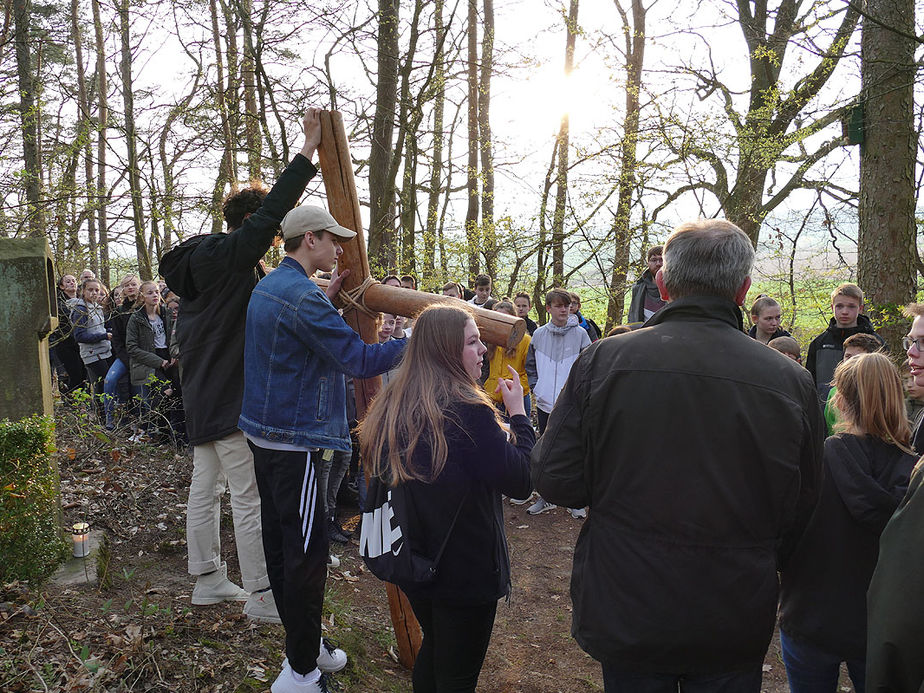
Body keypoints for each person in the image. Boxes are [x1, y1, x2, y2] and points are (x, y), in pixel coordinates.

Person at [532, 219, 824, 693]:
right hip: (732, 608)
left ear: (663, 283)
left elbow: (555, 477)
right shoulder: (790, 382)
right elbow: (804, 507)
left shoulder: (605, 362)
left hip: (628, 603)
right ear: (743, 289)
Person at [158, 110, 323, 623]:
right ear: (258, 229)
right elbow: (271, 213)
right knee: (248, 495)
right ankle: (261, 593)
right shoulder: (228, 257)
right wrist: (307, 150)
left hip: (204, 391)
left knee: (204, 486)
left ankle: (207, 578)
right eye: (271, 233)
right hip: (228, 397)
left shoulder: (213, 263)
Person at [239, 204, 406, 693]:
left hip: (267, 436)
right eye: (333, 239)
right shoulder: (300, 297)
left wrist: (327, 304)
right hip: (298, 446)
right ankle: (301, 673)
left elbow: (296, 344)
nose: (339, 248)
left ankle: (305, 649)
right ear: (309, 239)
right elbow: (358, 358)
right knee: (307, 556)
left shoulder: (271, 286)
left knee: (282, 545)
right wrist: (415, 341)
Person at [358, 304, 535, 693]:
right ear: (445, 351)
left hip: (417, 562)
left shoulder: (393, 405)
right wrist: (519, 415)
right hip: (465, 571)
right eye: (473, 342)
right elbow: (522, 480)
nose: (483, 351)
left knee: (436, 649)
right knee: (456, 676)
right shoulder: (469, 412)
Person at [778, 352, 916, 693]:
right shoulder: (915, 474)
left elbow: (784, 535)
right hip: (881, 627)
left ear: (838, 398)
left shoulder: (811, 463)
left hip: (810, 615)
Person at [524, 288, 591, 518]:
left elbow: (589, 368)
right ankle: (545, 497)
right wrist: (537, 388)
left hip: (571, 406)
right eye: (559, 305)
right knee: (545, 450)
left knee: (574, 449)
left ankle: (575, 500)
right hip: (544, 405)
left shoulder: (582, 334)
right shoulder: (539, 334)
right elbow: (530, 366)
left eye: (567, 304)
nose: (564, 309)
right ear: (549, 308)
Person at [806, 283, 884, 402]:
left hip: (866, 406)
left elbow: (885, 380)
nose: (845, 311)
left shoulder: (875, 342)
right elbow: (810, 383)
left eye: (851, 306)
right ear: (832, 308)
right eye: (840, 306)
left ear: (861, 308)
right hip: (825, 409)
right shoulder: (819, 344)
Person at [125, 280, 176, 441]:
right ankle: (156, 435)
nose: (154, 295)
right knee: (160, 395)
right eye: (150, 293)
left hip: (168, 358)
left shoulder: (166, 313)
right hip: (149, 362)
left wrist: (174, 354)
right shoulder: (136, 318)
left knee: (173, 395)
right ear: (142, 296)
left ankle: (170, 435)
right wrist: (157, 361)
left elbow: (174, 335)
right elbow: (132, 347)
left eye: (156, 292)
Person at [823, 333, 882, 436]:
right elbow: (829, 428)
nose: (851, 362)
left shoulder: (881, 391)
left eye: (858, 358)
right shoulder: (834, 392)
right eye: (848, 356)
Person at [70, 277, 113, 418]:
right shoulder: (80, 310)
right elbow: (80, 336)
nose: (94, 293)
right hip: (92, 355)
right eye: (90, 290)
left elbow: (99, 328)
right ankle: (101, 418)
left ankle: (106, 416)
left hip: (104, 351)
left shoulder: (97, 308)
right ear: (83, 291)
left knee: (104, 385)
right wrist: (104, 336)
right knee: (100, 386)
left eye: (97, 290)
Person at [103, 274, 141, 430]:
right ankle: (110, 419)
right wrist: (126, 359)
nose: (130, 287)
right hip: (125, 356)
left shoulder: (145, 306)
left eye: (133, 284)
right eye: (126, 285)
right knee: (110, 380)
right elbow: (117, 340)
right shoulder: (119, 311)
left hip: (144, 355)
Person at [483, 301, 531, 417]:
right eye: (498, 318)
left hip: (517, 397)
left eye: (505, 318)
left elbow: (530, 373)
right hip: (494, 397)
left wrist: (511, 385)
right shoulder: (491, 340)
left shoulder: (525, 340)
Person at [50, 274, 86, 396]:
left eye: (74, 280)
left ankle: (83, 403)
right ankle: (71, 402)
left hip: (82, 343)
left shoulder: (83, 300)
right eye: (68, 281)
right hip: (65, 343)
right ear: (61, 286)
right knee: (74, 374)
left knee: (84, 374)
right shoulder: (58, 304)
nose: (72, 283)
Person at [627, 245, 666, 323]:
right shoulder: (638, 289)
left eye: (662, 260)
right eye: (654, 260)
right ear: (648, 263)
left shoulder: (676, 289)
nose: (658, 264)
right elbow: (632, 318)